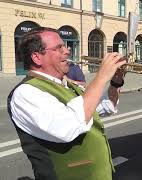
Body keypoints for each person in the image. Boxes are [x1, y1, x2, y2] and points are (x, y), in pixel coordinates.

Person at [7, 27, 126, 180]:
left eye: (65, 46)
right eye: (59, 47)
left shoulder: (67, 84)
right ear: (37, 57)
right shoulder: (25, 93)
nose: (68, 51)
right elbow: (67, 127)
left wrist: (116, 82)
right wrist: (101, 77)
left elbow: (106, 106)